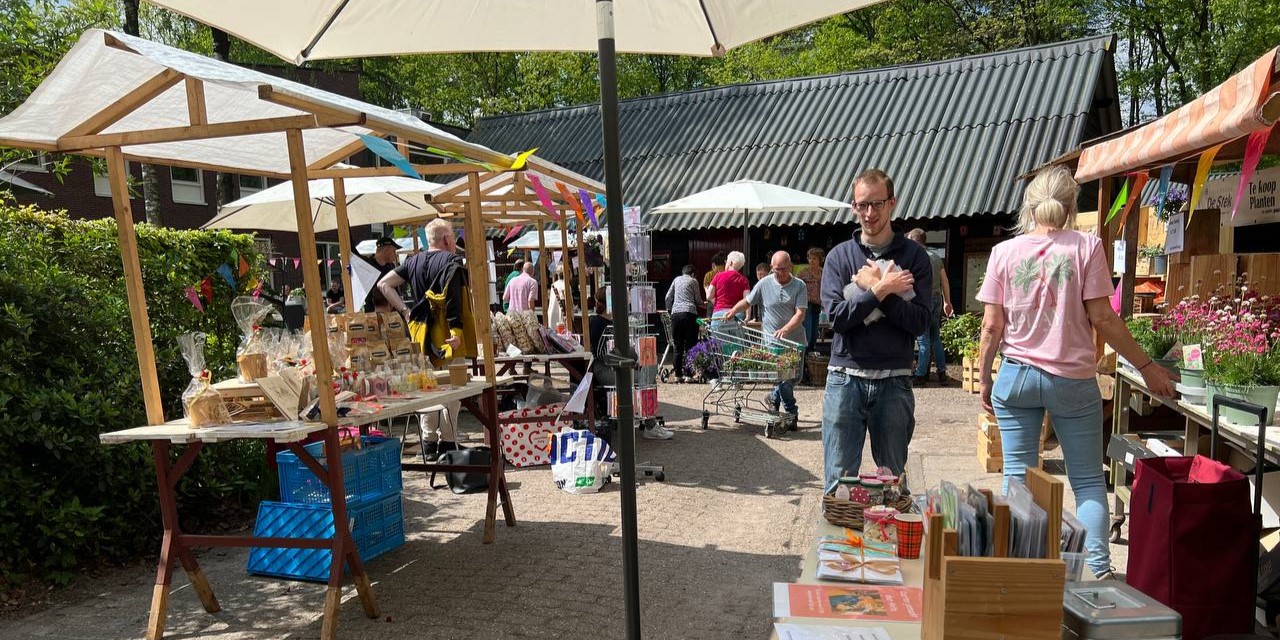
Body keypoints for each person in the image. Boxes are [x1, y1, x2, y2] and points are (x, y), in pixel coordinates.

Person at [977, 165, 1176, 580]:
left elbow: (992, 326)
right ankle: (1099, 576)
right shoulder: (1087, 247)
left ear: (1029, 206)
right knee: (1086, 482)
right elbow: (1103, 317)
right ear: (1070, 206)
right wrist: (1147, 366)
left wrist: (983, 377)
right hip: (1072, 380)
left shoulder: (1004, 253)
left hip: (1016, 376)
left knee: (1018, 480)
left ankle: (1021, 575)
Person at [821, 168, 932, 494]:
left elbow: (920, 321)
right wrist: (881, 291)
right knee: (839, 486)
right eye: (862, 205)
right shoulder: (839, 257)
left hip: (894, 379)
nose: (870, 213)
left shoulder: (914, 257)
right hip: (845, 377)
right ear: (854, 207)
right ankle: (840, 546)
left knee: (892, 485)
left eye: (877, 204)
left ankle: (890, 545)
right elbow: (837, 319)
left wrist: (877, 292)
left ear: (892, 203)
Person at [377, 218, 474, 461]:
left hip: (420, 332)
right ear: (447, 240)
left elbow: (384, 284)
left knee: (429, 387)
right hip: (446, 333)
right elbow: (454, 298)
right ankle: (448, 442)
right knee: (454, 386)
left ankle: (429, 443)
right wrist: (457, 332)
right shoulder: (452, 261)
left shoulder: (413, 261)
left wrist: (405, 310)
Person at [725, 251, 807, 419]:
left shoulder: (799, 286)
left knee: (792, 379)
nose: (781, 273)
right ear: (771, 268)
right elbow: (748, 301)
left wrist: (785, 329)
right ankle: (792, 413)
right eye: (777, 269)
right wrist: (733, 310)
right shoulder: (764, 283)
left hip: (795, 341)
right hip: (772, 342)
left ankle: (772, 398)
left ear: (790, 267)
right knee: (782, 380)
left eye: (784, 269)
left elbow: (800, 314)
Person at [906, 229, 953, 386]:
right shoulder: (936, 256)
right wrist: (948, 302)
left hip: (922, 300)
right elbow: (944, 280)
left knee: (923, 339)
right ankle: (941, 373)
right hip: (937, 299)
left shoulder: (914, 257)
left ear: (914, 240)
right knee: (935, 338)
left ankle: (920, 375)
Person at [664, 264, 706, 383]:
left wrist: (669, 311)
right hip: (689, 314)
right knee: (690, 345)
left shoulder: (676, 280)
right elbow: (697, 300)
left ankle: (678, 375)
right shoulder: (693, 281)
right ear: (693, 274)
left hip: (676, 315)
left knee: (677, 346)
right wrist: (705, 304)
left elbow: (668, 297)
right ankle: (688, 374)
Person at [707, 250, 751, 327]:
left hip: (719, 316)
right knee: (736, 339)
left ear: (730, 263)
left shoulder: (718, 276)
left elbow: (709, 296)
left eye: (726, 261)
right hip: (737, 316)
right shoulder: (744, 280)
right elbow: (748, 300)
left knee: (718, 339)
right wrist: (747, 317)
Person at [362, 237, 401, 312]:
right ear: (386, 250)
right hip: (372, 313)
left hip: (391, 313)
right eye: (394, 251)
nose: (395, 255)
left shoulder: (391, 266)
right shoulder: (367, 266)